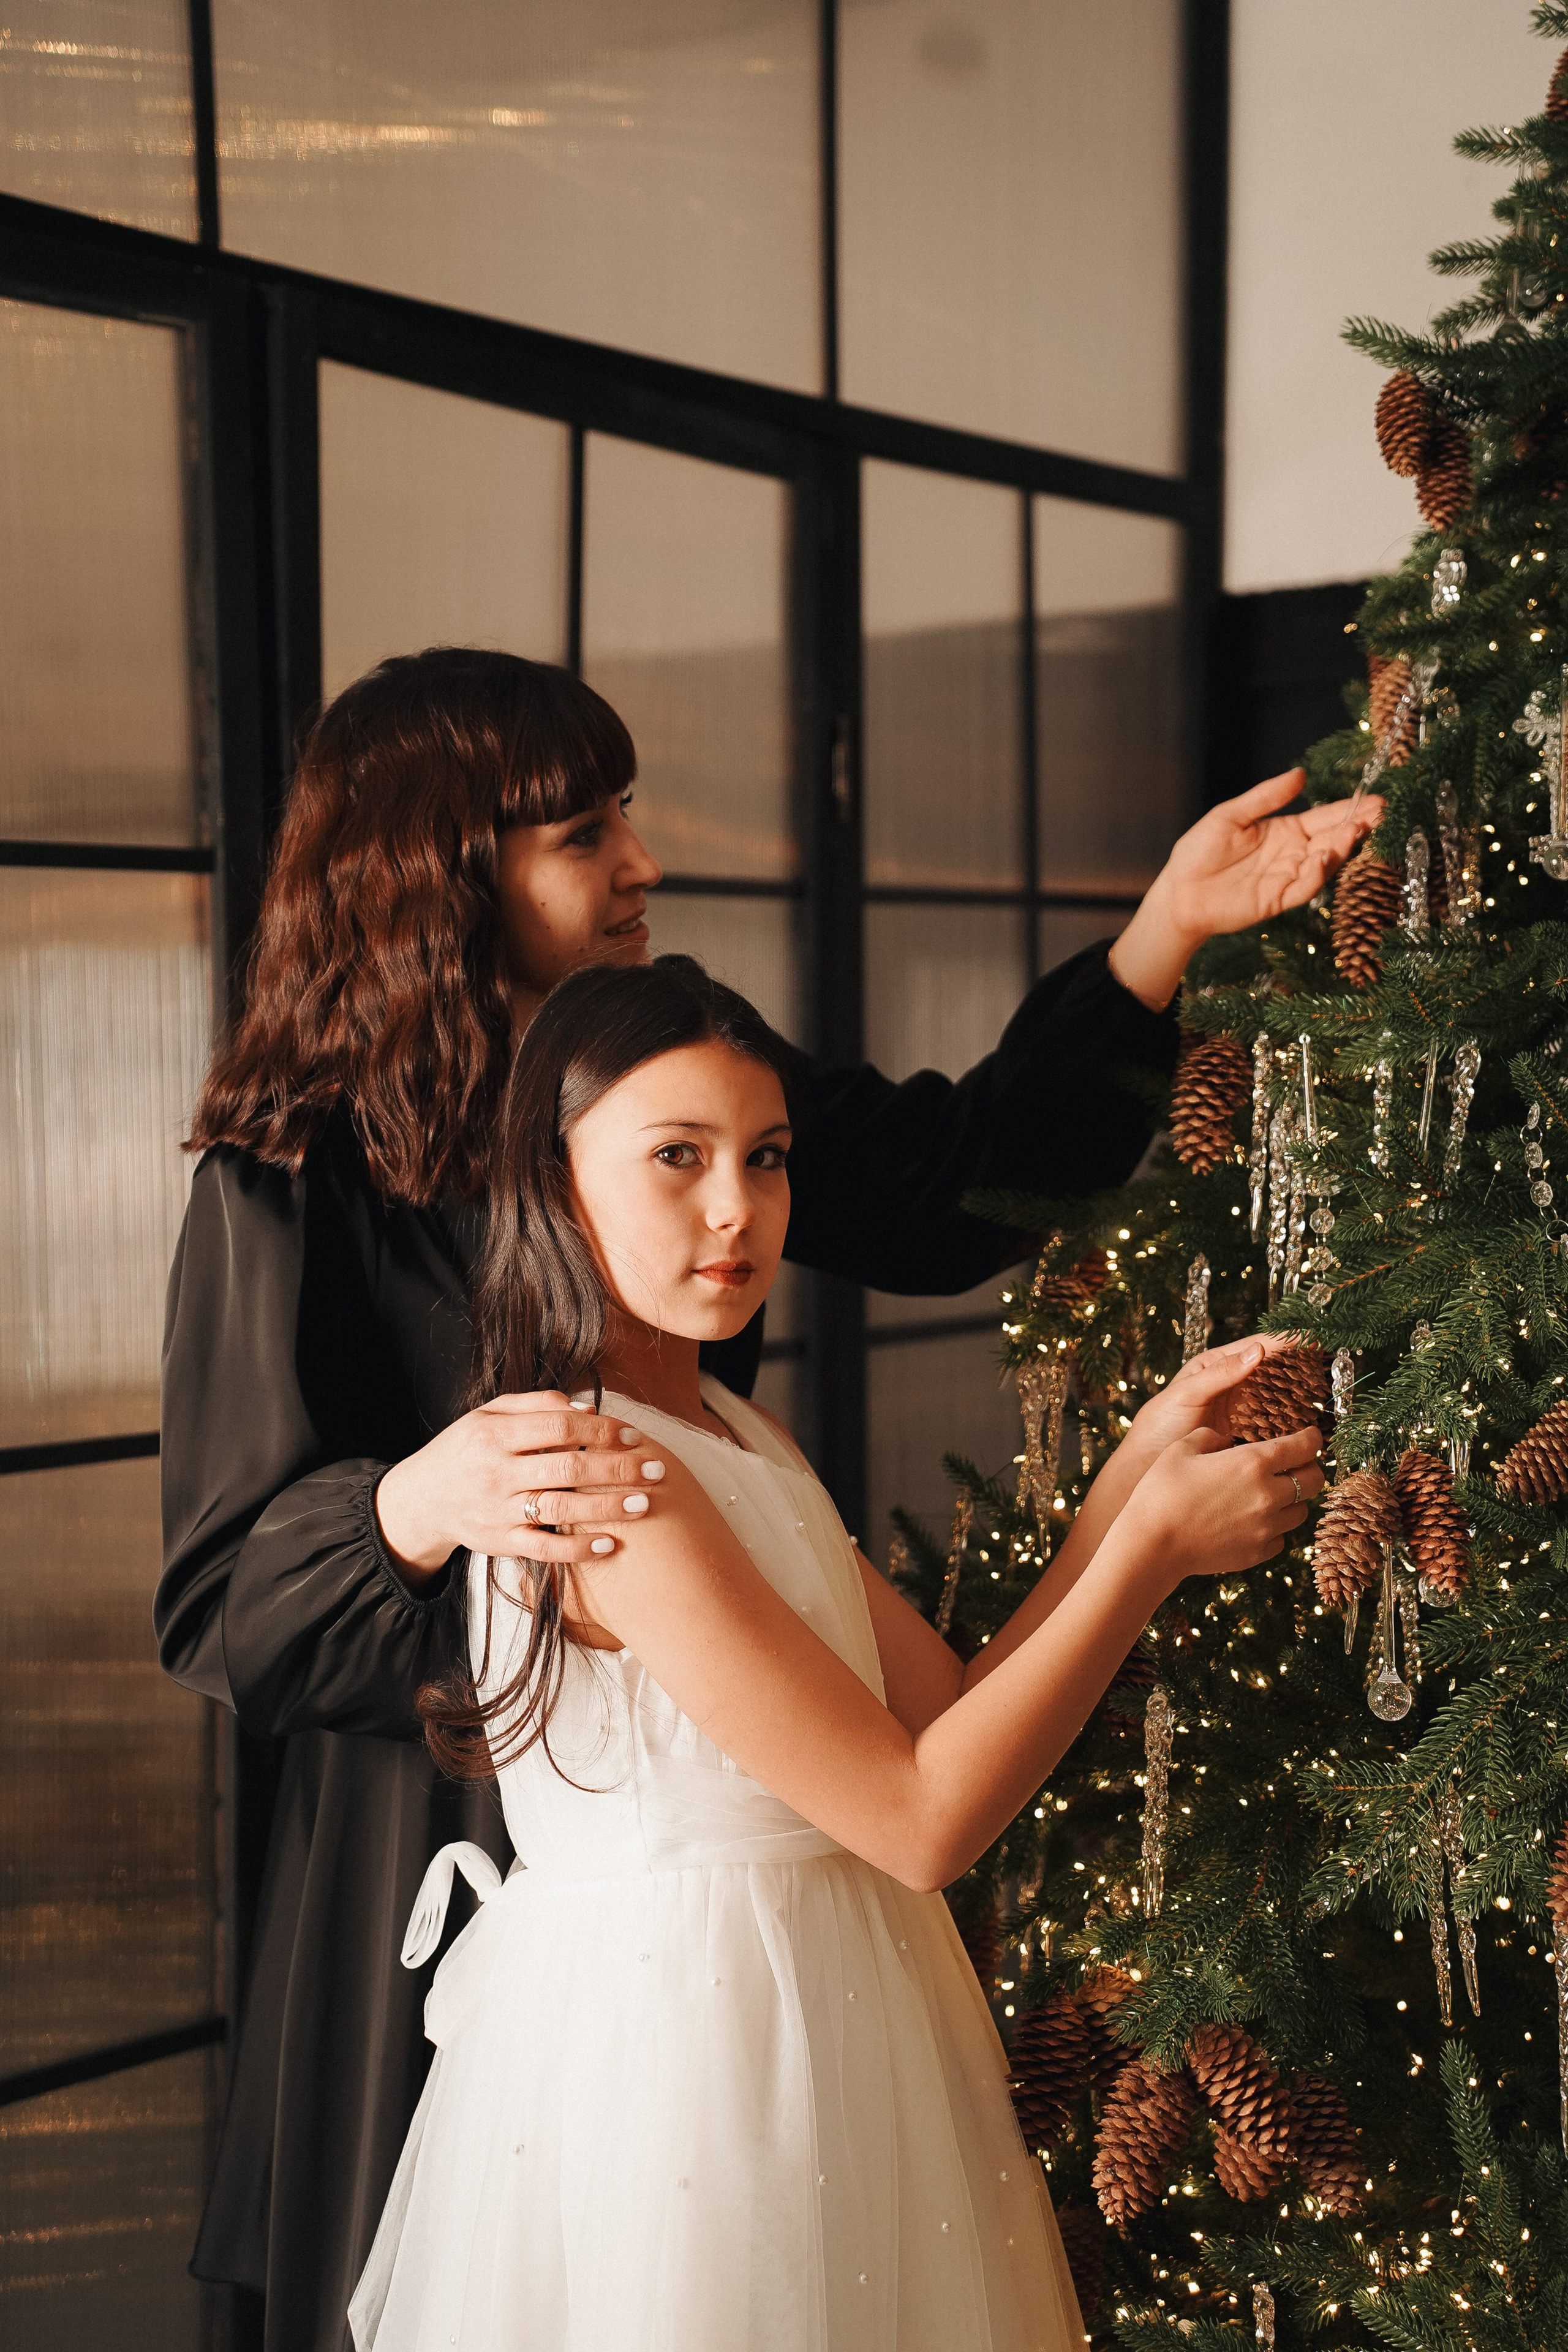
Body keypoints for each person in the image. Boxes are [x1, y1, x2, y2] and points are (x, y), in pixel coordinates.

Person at [157, 648, 1378, 2347]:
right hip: (455, 1861)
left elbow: (953, 1194)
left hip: (782, 1853)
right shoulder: (297, 1169)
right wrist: (415, 1502)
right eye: (585, 832)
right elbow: (221, 1605)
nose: (641, 862)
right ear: (438, 873)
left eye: (762, 1160)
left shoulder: (690, 1099)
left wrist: (1162, 934)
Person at [345, 954, 1322, 2351]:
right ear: (555, 1182)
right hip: (699, 2064)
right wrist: (1150, 1554)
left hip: (836, 2011)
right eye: (675, 1158)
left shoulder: (738, 1438)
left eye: (767, 1157)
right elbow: (922, 1824)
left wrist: (1126, 1484)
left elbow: (950, 1712)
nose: (736, 1209)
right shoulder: (605, 1479)